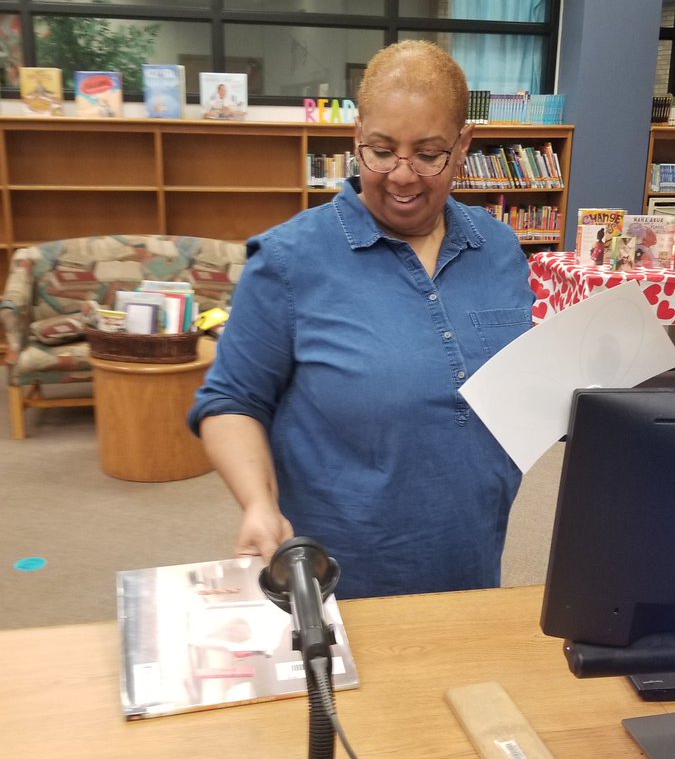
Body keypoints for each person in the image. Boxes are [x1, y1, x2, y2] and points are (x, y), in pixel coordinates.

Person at [188, 40, 534, 598]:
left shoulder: (497, 246)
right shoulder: (288, 260)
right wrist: (257, 503)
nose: (402, 175)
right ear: (356, 138)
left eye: (428, 153)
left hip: (472, 558)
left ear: (464, 146)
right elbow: (231, 402)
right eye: (380, 150)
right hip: (339, 575)